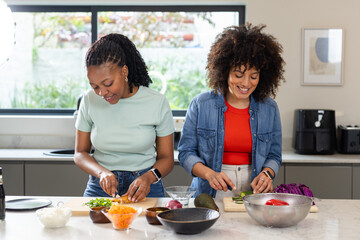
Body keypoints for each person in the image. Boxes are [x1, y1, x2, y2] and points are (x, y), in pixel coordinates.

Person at [178, 23, 285, 199]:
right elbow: (185, 153)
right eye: (238, 74)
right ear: (224, 71)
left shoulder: (269, 108)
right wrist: (209, 174)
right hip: (210, 190)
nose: (246, 83)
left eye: (253, 76)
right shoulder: (201, 104)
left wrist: (267, 174)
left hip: (253, 190)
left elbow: (274, 155)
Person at [74, 33, 175, 202]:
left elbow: (167, 158)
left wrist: (149, 178)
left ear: (124, 71)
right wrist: (102, 173)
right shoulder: (89, 100)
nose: (102, 93)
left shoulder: (156, 102)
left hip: (145, 185)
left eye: (107, 84)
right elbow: (80, 153)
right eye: (94, 86)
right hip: (101, 185)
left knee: (152, 229)